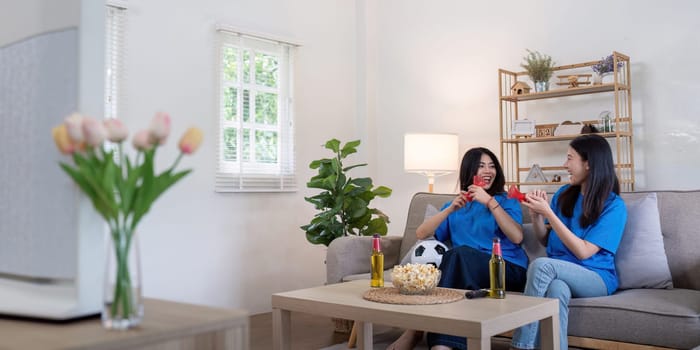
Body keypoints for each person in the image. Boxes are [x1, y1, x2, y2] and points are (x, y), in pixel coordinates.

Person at [388, 147, 528, 350]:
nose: (488, 171)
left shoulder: (506, 201)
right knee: (455, 263)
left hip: (507, 270)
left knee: (458, 255)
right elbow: (421, 233)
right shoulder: (456, 206)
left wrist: (489, 202)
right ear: (469, 171)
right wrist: (451, 209)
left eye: (492, 166)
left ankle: (418, 331)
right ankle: (443, 341)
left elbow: (517, 237)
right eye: (481, 166)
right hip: (468, 273)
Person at [511, 134, 627, 350]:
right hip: (562, 273)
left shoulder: (614, 206)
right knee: (556, 290)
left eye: (569, 158)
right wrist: (537, 216)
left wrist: (550, 215)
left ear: (589, 164)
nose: (565, 165)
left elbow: (584, 252)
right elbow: (545, 240)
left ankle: (520, 346)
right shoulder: (564, 194)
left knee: (541, 265)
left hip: (595, 276)